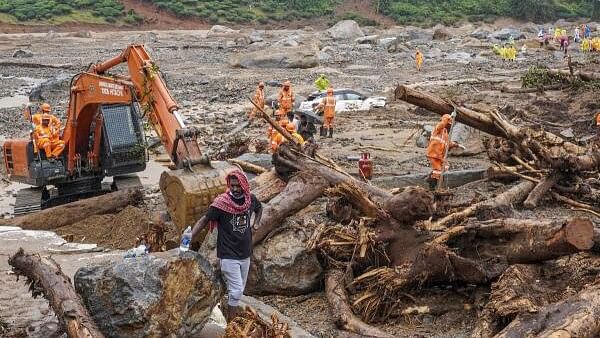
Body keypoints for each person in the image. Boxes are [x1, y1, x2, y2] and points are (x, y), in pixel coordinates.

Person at [191, 170, 262, 322]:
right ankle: (232, 326)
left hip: (245, 253)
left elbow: (259, 208)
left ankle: (227, 313)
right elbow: (204, 220)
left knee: (238, 291)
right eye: (232, 186)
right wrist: (190, 238)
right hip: (228, 254)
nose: (235, 189)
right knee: (236, 291)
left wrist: (256, 224)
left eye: (238, 186)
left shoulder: (250, 200)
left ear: (244, 185)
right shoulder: (221, 203)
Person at [425, 114, 459, 190]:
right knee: (437, 171)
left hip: (439, 155)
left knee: (445, 167)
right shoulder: (438, 129)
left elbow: (448, 143)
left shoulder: (445, 133)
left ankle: (432, 179)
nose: (451, 126)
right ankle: (432, 186)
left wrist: (455, 144)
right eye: (449, 124)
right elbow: (442, 124)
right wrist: (449, 117)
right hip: (433, 154)